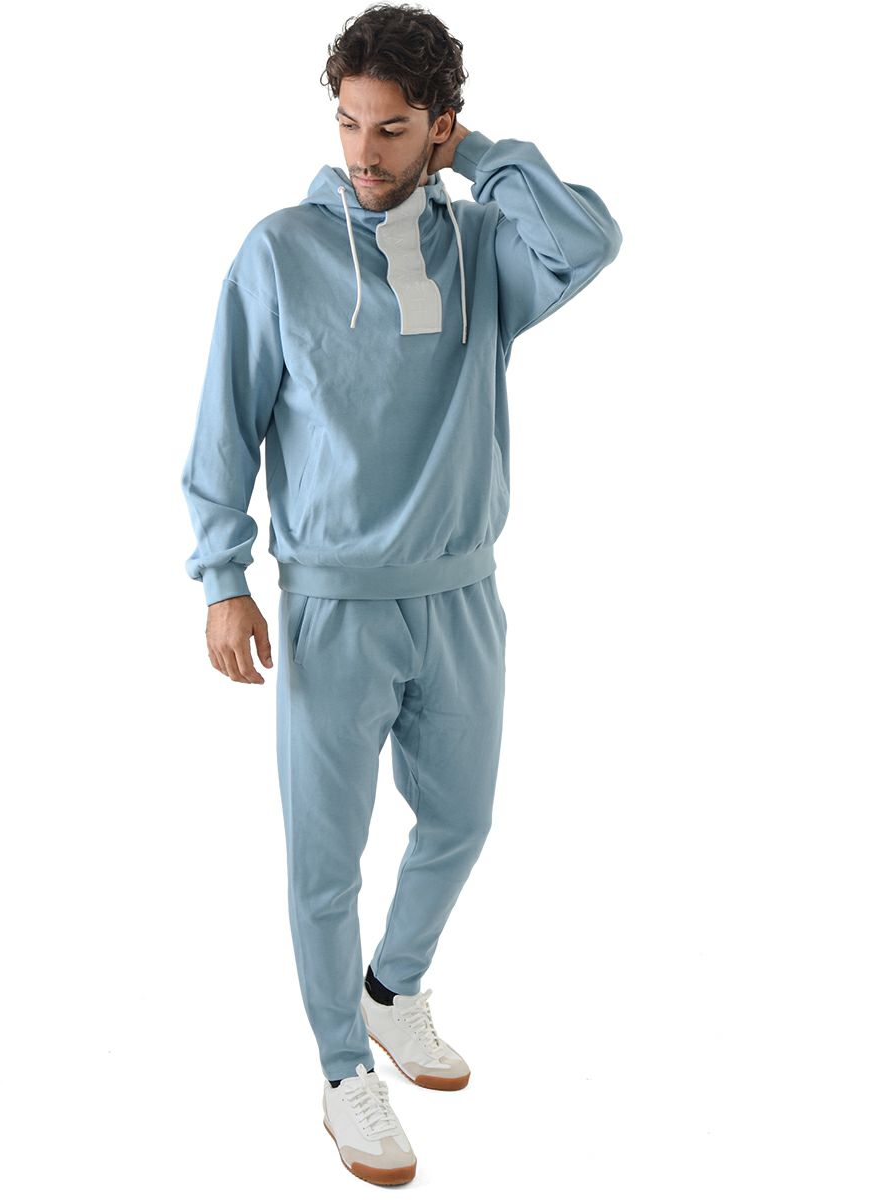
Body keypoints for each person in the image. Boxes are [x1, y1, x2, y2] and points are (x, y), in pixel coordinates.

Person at [180, 3, 621, 1184]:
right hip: (332, 605)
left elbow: (589, 241)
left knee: (460, 820)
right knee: (325, 862)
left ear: (438, 129)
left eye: (391, 128)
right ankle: (342, 1073)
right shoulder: (279, 251)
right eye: (347, 123)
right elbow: (223, 426)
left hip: (463, 595)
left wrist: (487, 158)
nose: (363, 152)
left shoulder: (486, 250)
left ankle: (393, 988)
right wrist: (222, 579)